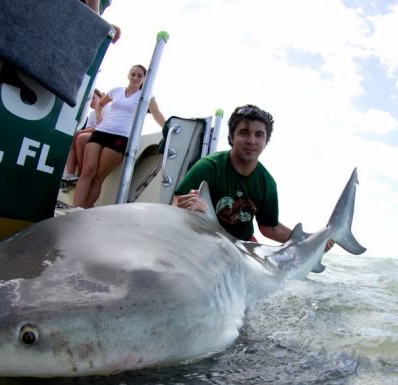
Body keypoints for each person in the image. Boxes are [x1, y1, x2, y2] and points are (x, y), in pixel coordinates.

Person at [173, 104, 334, 250]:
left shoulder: (266, 183)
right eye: (244, 133)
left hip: (240, 244)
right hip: (203, 236)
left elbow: (269, 228)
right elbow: (175, 204)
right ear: (231, 137)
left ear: (266, 141)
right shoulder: (208, 167)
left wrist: (310, 240)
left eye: (259, 135)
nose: (251, 140)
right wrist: (186, 208)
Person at [73, 64, 165, 208]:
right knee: (87, 171)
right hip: (101, 132)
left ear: (144, 79)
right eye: (133, 74)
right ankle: (74, 209)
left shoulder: (146, 95)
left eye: (139, 75)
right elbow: (100, 104)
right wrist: (98, 117)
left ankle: (82, 210)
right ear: (128, 75)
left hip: (120, 137)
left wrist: (167, 128)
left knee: (98, 177)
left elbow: (156, 114)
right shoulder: (116, 91)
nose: (135, 78)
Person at [63, 88, 105, 181]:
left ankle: (80, 174)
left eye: (93, 98)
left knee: (81, 138)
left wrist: (80, 132)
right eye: (89, 100)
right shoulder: (91, 114)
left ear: (100, 97)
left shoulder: (107, 107)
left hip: (105, 136)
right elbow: (87, 129)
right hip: (95, 136)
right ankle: (69, 174)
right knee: (73, 139)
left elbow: (104, 126)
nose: (91, 102)